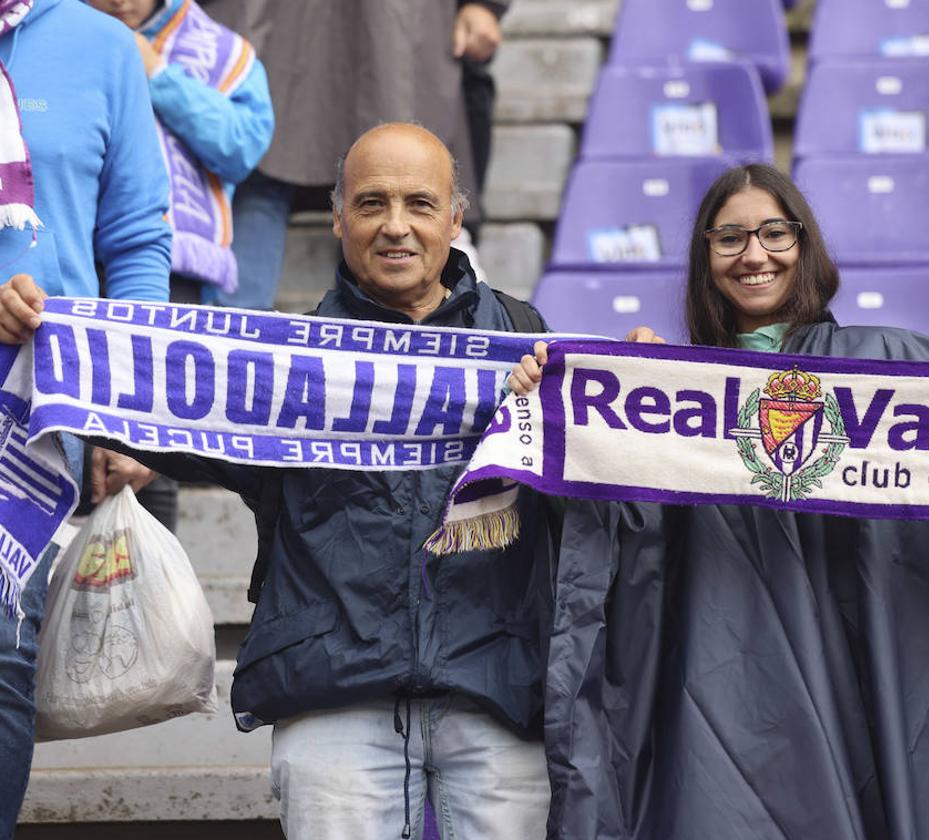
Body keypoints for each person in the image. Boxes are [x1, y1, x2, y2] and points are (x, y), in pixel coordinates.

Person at [508, 163, 929, 840]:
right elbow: (614, 536)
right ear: (705, 259)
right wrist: (583, 399)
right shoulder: (672, 390)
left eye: (775, 234)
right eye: (730, 238)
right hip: (722, 704)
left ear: (805, 247)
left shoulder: (893, 363)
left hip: (876, 688)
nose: (754, 254)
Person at [0, 123, 552, 840]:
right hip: (332, 703)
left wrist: (641, 367)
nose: (395, 226)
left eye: (420, 203)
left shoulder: (527, 338)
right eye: (371, 202)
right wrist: (38, 337)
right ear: (336, 215)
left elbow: (608, 469)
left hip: (498, 692)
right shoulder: (274, 362)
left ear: (456, 216)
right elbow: (141, 399)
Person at [0, 0, 172, 835]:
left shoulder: (102, 47)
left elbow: (137, 241)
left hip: (38, 413)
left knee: (3, 651)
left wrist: (124, 412)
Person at [84, 0, 273, 533]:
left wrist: (157, 73)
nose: (121, 1)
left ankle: (142, 588)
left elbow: (243, 145)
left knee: (151, 436)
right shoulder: (58, 33)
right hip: (77, 256)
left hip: (176, 267)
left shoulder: (220, 50)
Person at [201, 0, 507, 310]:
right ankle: (231, 344)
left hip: (390, 28)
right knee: (258, 172)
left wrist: (483, 5)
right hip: (279, 23)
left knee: (398, 172)